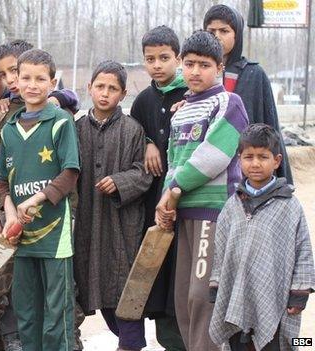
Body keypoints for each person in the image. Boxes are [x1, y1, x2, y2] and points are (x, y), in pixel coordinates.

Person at [155, 30, 249, 351]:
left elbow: (215, 154)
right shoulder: (183, 109)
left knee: (203, 294)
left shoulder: (228, 103)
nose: (195, 71)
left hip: (214, 214)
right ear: (181, 64)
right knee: (183, 297)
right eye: (190, 64)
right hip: (185, 212)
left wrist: (176, 187)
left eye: (205, 65)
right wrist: (166, 198)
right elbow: (174, 159)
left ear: (219, 67)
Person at [0, 48, 80, 351]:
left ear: (52, 83)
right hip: (22, 237)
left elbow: (70, 174)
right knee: (26, 310)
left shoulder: (60, 121)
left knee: (57, 310)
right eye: (26, 77)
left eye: (40, 79)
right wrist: (9, 211)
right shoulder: (8, 129)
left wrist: (37, 199)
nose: (32, 85)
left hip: (54, 233)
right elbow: (1, 181)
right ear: (15, 80)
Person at [208, 123, 315, 351]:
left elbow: (303, 250)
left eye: (263, 157)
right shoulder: (232, 205)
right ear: (239, 160)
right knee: (237, 342)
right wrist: (218, 286)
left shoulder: (289, 205)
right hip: (235, 294)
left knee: (273, 343)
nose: (255, 163)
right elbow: (220, 250)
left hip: (274, 299)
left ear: (276, 161)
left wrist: (299, 294)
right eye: (249, 157)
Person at [74, 60, 152, 351]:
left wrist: (120, 181)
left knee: (124, 290)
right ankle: (127, 342)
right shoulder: (76, 128)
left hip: (122, 224)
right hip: (87, 223)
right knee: (98, 288)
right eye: (100, 86)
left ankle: (130, 345)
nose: (105, 93)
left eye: (113, 88)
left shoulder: (133, 130)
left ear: (123, 94)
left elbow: (144, 172)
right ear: (90, 88)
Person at [129, 25, 187, 351]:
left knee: (184, 269)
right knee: (159, 270)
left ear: (178, 58)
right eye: (150, 59)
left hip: (186, 201)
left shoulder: (190, 94)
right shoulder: (142, 102)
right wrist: (149, 142)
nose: (157, 64)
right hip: (154, 202)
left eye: (164, 57)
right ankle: (168, 340)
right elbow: (137, 138)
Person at [203, 4, 292, 183]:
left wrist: (282, 179)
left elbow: (270, 124)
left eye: (224, 31)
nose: (217, 36)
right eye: (211, 30)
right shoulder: (195, 74)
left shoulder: (254, 74)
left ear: (237, 34)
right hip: (205, 168)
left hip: (244, 169)